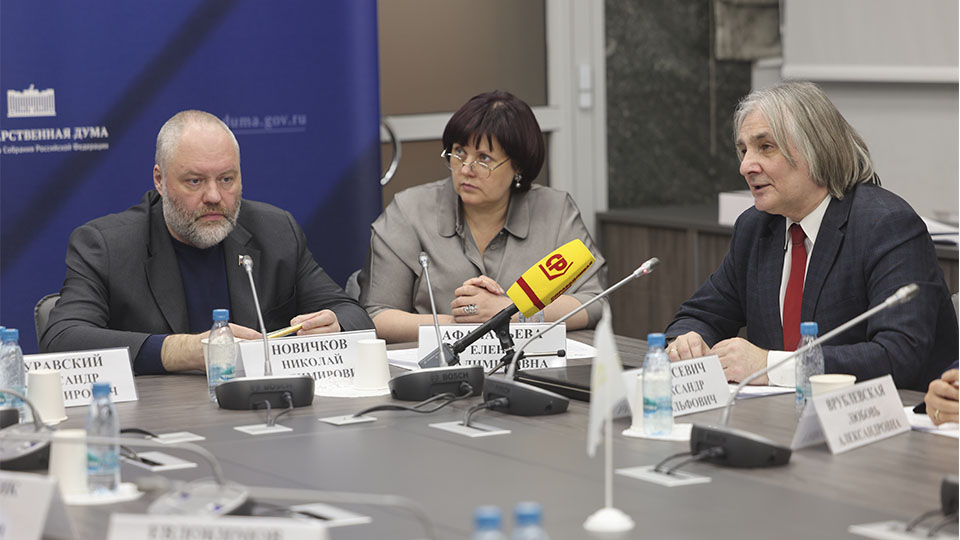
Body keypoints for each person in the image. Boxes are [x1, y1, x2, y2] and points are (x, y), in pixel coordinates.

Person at [664, 81, 957, 391]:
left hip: (890, 414)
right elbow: (701, 314)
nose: (746, 166)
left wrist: (770, 366)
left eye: (766, 147)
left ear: (816, 148)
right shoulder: (756, 228)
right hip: (779, 412)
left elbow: (899, 355)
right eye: (743, 150)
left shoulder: (886, 225)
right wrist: (688, 340)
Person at [40, 110, 373, 374]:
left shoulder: (276, 231)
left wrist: (334, 326)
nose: (214, 196)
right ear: (160, 180)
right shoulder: (106, 245)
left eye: (227, 179)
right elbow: (61, 339)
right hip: (160, 417)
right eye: (195, 181)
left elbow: (354, 315)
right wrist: (180, 351)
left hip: (260, 409)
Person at [358, 90, 607, 343]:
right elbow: (376, 316)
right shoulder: (409, 211)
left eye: (484, 158)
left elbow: (594, 302)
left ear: (518, 166)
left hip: (533, 361)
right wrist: (462, 325)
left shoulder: (555, 211)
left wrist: (511, 312)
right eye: (459, 152)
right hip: (438, 362)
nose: (466, 169)